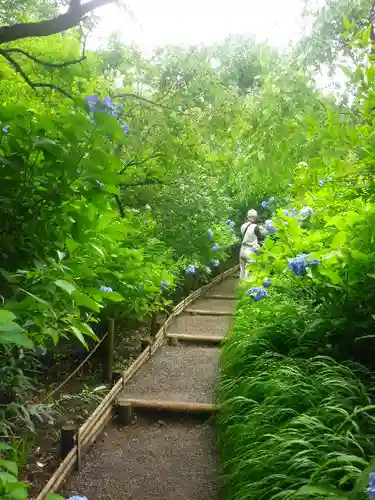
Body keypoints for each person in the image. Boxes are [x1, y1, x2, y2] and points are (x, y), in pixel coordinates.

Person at [239, 209, 265, 280]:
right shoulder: (256, 227)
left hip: (242, 250)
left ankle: (240, 287)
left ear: (247, 216)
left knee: (242, 271)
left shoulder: (243, 226)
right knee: (249, 272)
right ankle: (245, 288)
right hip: (250, 251)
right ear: (255, 217)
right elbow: (261, 238)